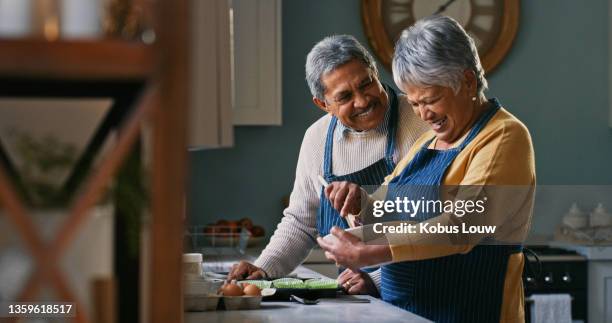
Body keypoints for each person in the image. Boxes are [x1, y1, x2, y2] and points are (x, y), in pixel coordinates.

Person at [317, 16, 535, 322]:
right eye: (416, 103)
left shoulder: (503, 137)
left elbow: (465, 224)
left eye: (431, 100)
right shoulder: (428, 141)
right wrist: (360, 204)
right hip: (405, 313)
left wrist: (375, 251)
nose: (423, 114)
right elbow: (387, 209)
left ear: (468, 81)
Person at [228, 35, 428, 295]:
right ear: (323, 104)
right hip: (356, 300)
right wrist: (264, 269)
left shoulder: (421, 121)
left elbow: (434, 224)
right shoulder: (317, 139)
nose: (362, 101)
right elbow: (301, 222)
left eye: (366, 83)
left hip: (420, 291)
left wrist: (378, 280)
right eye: (345, 97)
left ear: (375, 72)